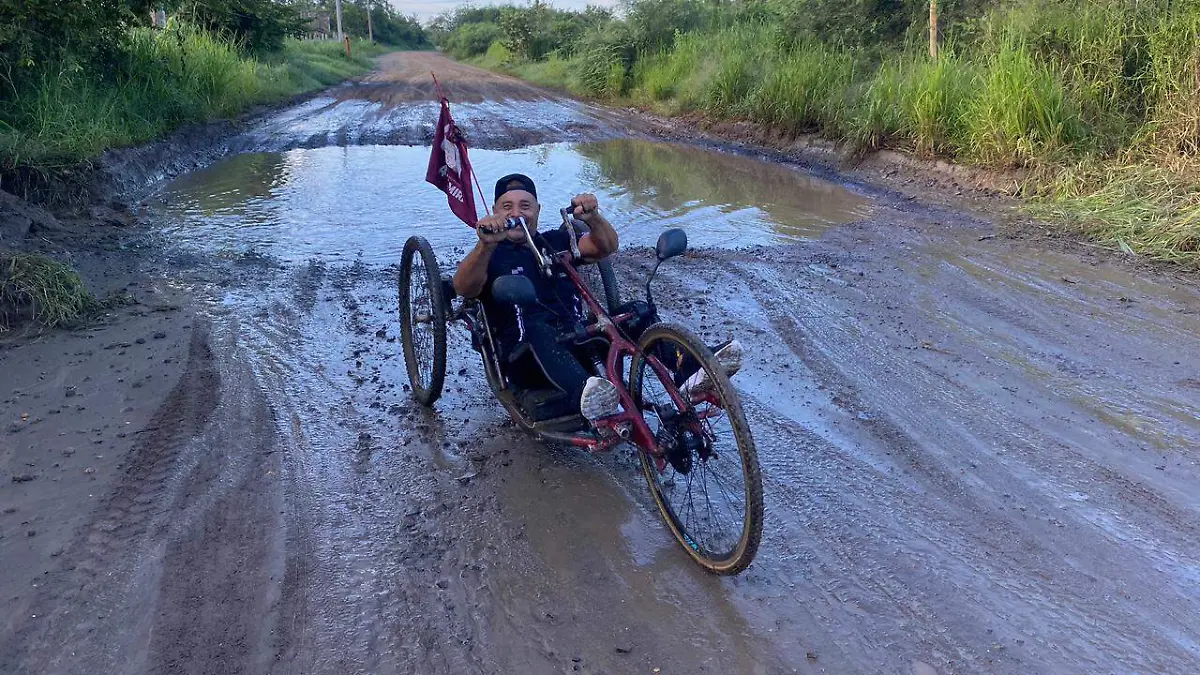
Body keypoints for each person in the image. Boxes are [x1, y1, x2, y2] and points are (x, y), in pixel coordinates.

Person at [452, 173, 741, 423]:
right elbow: (464, 287)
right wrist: (485, 243)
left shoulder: (555, 241)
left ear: (538, 210)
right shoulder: (489, 254)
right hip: (527, 358)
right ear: (495, 212)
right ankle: (589, 399)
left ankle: (688, 369)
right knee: (537, 328)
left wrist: (593, 218)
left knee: (636, 312)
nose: (518, 212)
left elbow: (606, 247)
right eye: (508, 206)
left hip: (579, 342)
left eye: (525, 206)